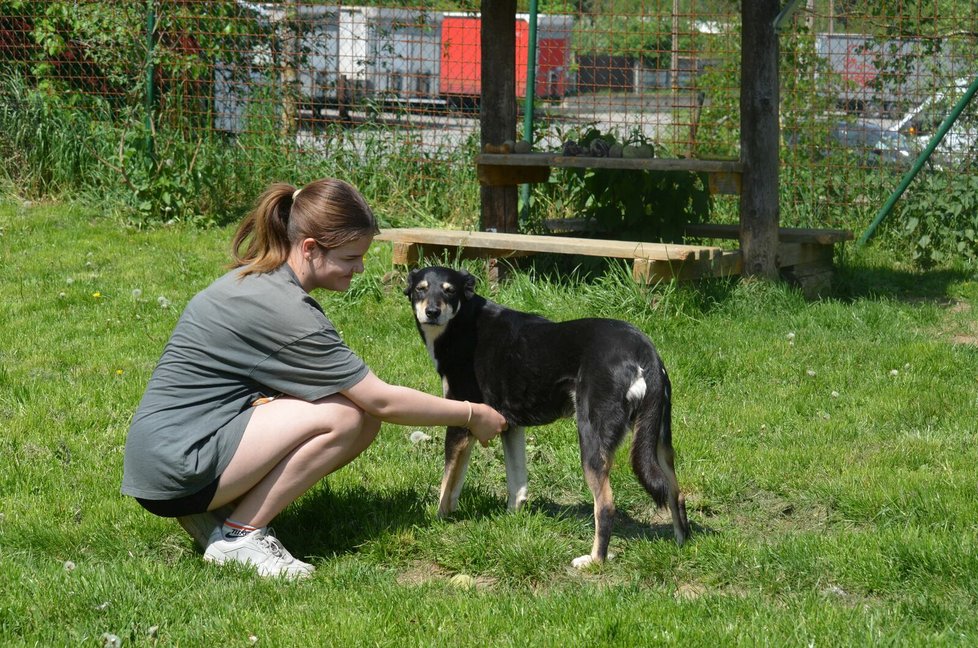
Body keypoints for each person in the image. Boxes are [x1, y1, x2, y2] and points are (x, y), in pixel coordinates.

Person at [121, 178, 508, 579]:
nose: (359, 267)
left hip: (161, 458)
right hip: (177, 468)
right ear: (309, 249)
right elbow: (382, 401)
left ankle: (215, 514)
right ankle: (240, 535)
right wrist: (471, 412)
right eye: (350, 257)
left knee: (343, 407)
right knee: (351, 417)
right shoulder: (287, 311)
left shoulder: (259, 280)